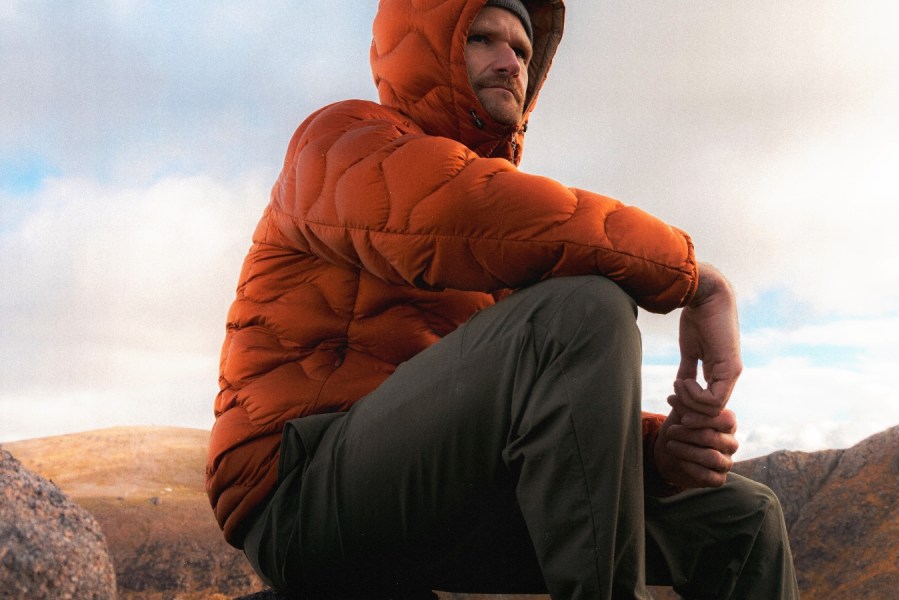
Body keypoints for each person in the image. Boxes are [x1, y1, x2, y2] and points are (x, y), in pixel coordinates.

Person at [207, 1, 799, 598]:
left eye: (522, 49)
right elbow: (447, 207)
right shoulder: (340, 140)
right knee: (584, 309)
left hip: (437, 500)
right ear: (427, 50)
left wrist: (659, 454)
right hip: (299, 488)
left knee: (744, 517)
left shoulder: (507, 239)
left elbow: (543, 402)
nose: (510, 61)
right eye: (483, 39)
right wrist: (696, 279)